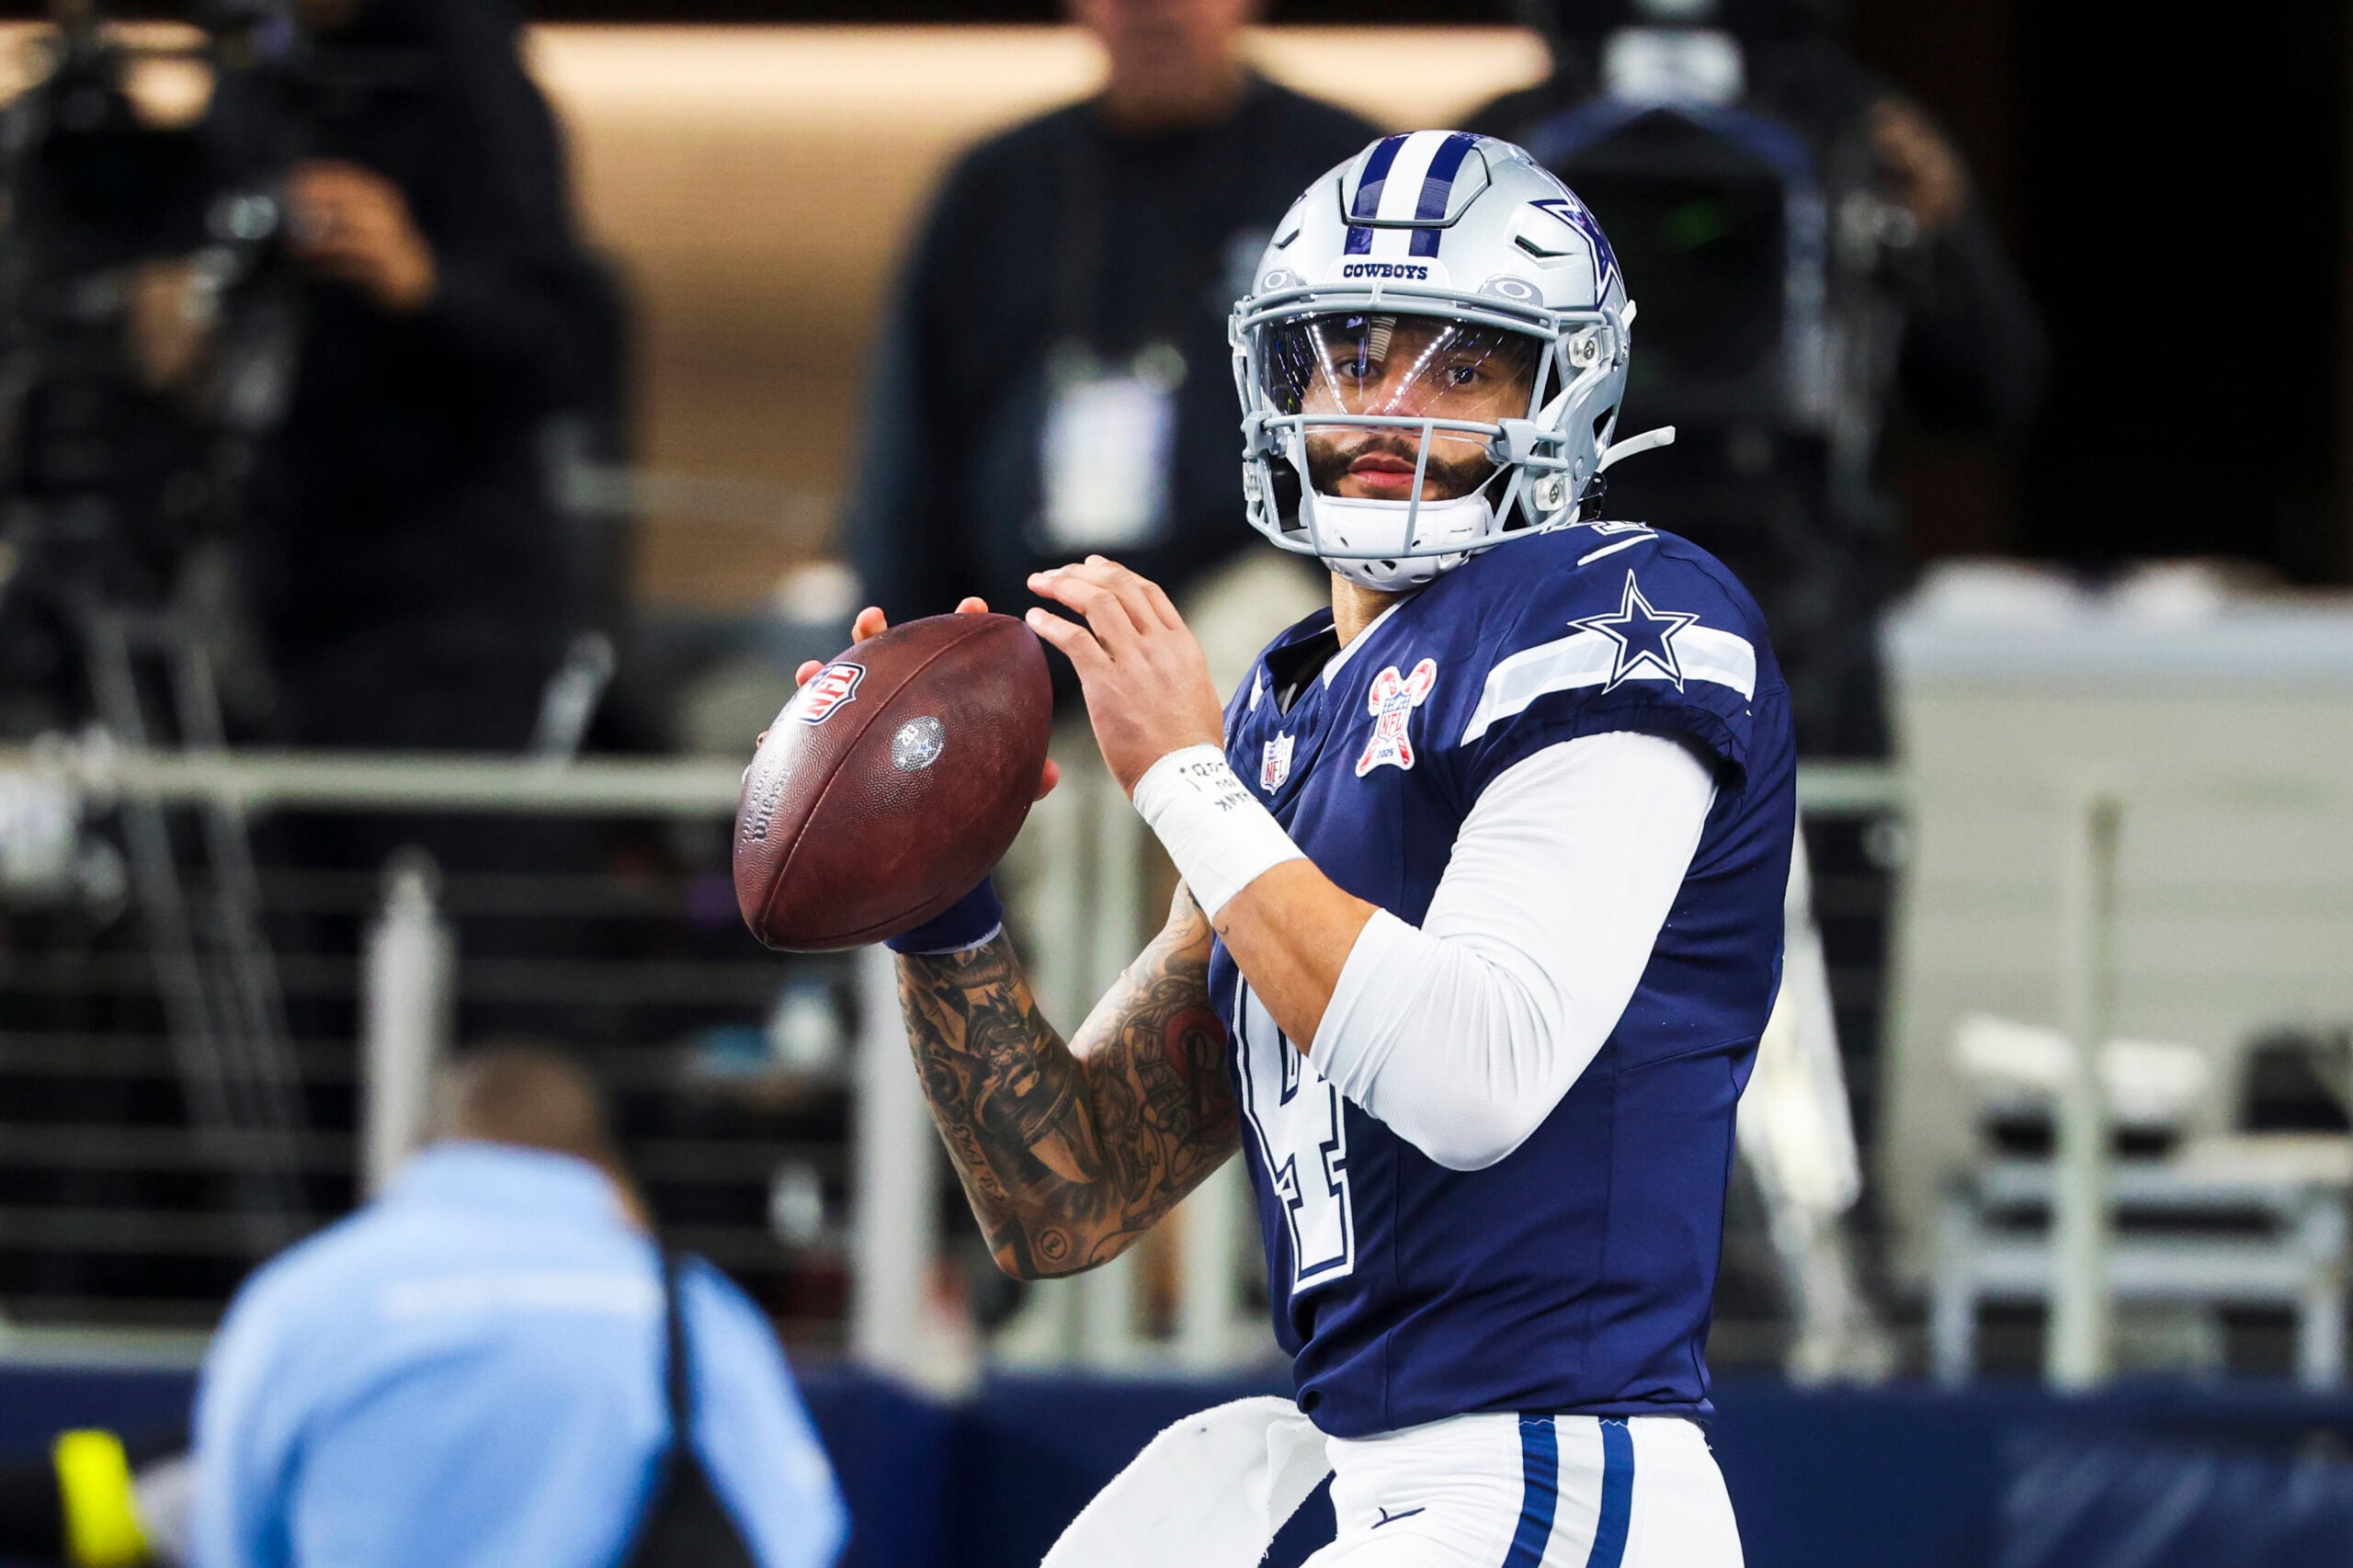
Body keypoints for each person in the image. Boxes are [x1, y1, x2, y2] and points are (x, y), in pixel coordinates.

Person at [804, 133, 1788, 1563]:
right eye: (1351, 353)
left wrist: (1184, 780)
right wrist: (936, 886)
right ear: (1278, 380)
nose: (1387, 405)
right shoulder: (1286, 717)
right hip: (1374, 1472)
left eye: (1463, 368)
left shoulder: (1615, 614)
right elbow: (1066, 1192)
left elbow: (1474, 1074)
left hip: (1546, 1475)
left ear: (1565, 391)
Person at [1470, 0, 2044, 759]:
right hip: (1548, 608)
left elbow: (1993, 388)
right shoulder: (1509, 146)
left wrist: (1937, 239)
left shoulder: (1855, 141)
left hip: (1799, 622)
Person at [844, 0, 1377, 705]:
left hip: (1262, 632)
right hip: (1022, 633)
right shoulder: (994, 189)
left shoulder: (1342, 177)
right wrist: (911, 667)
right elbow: (907, 464)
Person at [190, 1044, 846, 1568]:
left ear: (422, 1154)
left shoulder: (299, 1302)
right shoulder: (691, 1312)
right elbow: (796, 1534)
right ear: (609, 1174)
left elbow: (231, 1540)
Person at [215, 0, 625, 754]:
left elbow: (571, 343)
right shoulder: (253, 78)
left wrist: (421, 282)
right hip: (280, 594)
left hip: (449, 616)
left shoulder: (464, 82)